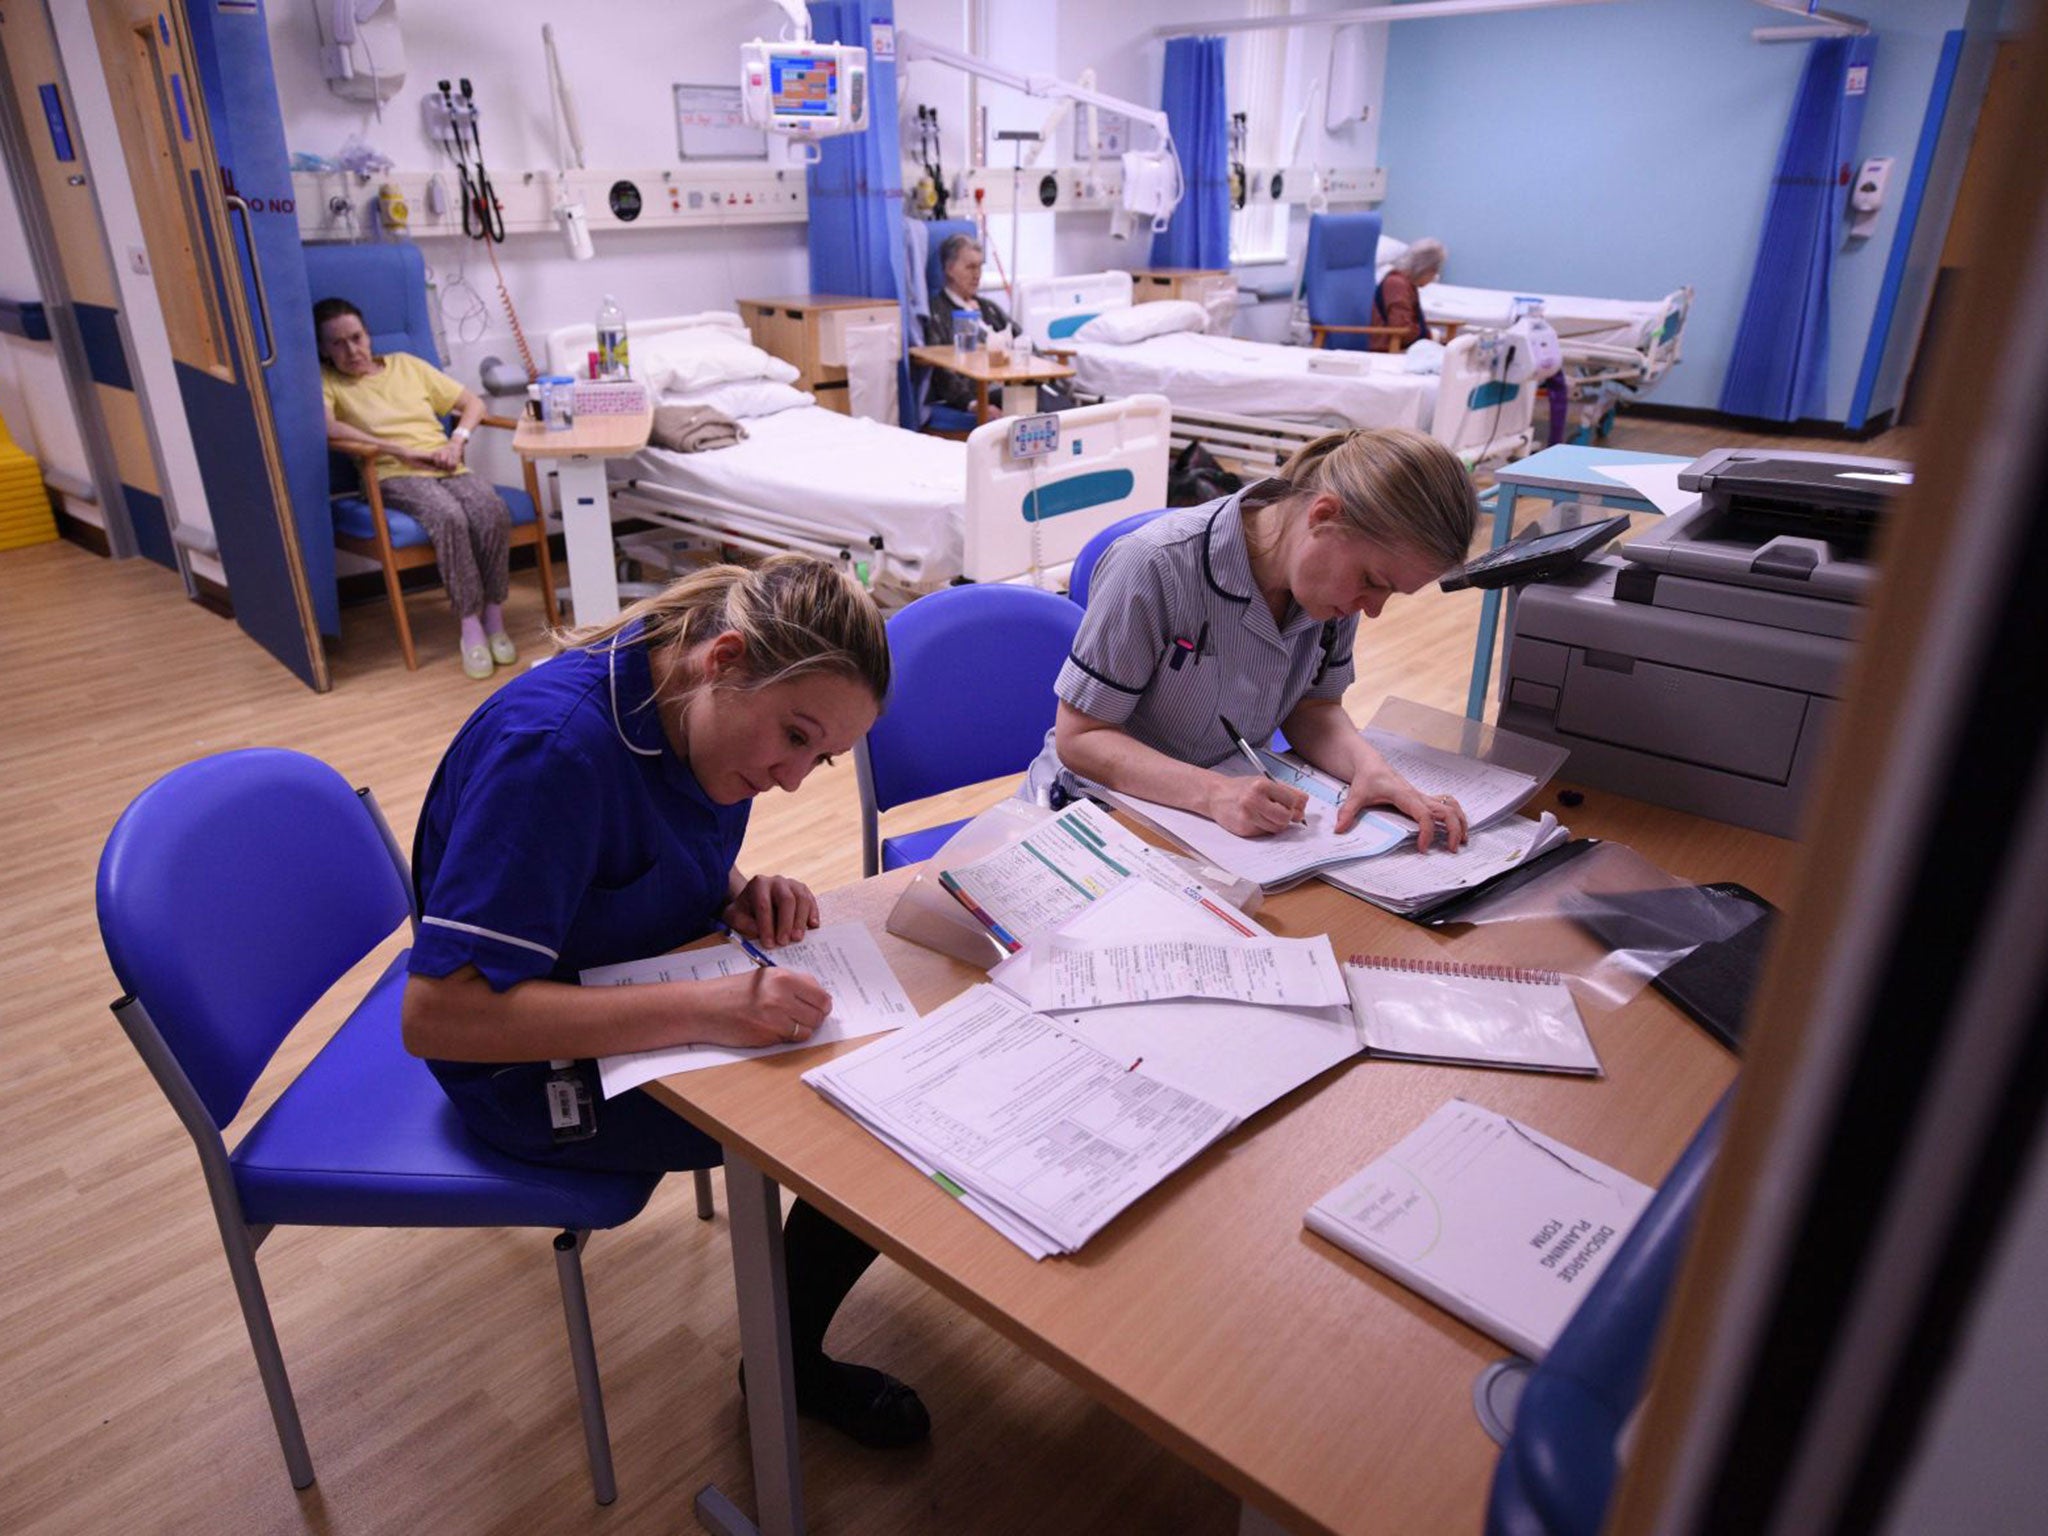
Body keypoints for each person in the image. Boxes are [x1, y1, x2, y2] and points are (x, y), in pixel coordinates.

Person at [400, 554, 930, 1449]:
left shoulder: (687, 702)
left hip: (624, 981)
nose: (795, 778)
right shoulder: (553, 754)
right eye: (794, 738)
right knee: (862, 1122)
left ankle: (785, 1347)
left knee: (881, 1069)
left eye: (824, 757)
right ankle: (785, 1366)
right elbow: (437, 1017)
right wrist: (709, 1008)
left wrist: (731, 891)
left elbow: (638, 848)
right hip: (519, 1067)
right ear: (724, 659)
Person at [1030, 428, 1479, 850]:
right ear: (1323, 516)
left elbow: (1313, 709)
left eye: (1390, 592)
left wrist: (1372, 770)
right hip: (1093, 810)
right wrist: (1211, 794)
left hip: (1220, 811)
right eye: (1373, 581)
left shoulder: (1331, 589)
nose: (1374, 608)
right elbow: (1082, 738)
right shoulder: (1154, 565)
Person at [316, 296, 519, 680]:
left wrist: (456, 441)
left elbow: (473, 403)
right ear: (324, 350)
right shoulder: (329, 383)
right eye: (337, 343)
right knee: (448, 517)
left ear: (368, 335)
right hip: (392, 473)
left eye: (356, 337)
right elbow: (329, 428)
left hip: (446, 462)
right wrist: (400, 451)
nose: (351, 350)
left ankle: (494, 615)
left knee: (490, 509)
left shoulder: (407, 366)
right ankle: (470, 628)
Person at [919, 232, 1016, 417]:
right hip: (979, 393)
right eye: (970, 267)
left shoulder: (989, 309)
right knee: (1034, 407)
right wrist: (973, 404)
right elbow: (941, 370)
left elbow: (1021, 339)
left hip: (1012, 384)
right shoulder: (936, 313)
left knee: (1049, 401)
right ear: (949, 269)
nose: (977, 275)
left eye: (980, 267)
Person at [1371, 238, 1446, 353]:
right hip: (1390, 348)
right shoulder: (1397, 284)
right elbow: (1403, 330)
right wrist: (1432, 336)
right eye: (1434, 271)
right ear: (1425, 269)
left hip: (1402, 346)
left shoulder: (1406, 284)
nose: (1434, 277)